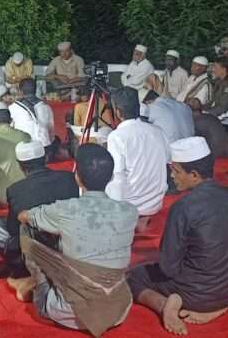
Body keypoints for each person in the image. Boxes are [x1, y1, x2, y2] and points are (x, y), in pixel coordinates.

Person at [128, 137, 228, 336]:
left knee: (133, 276)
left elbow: (168, 267)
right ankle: (216, 308)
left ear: (194, 175)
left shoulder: (184, 207)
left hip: (193, 295)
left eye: (176, 171)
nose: (172, 176)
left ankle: (163, 305)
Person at [13, 144, 138, 336]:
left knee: (27, 230)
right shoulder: (130, 211)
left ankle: (37, 285)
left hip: (68, 313)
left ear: (77, 177)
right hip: (118, 312)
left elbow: (24, 217)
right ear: (112, 177)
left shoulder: (65, 209)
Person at [0, 140, 79, 277]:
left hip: (36, 249)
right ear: (45, 158)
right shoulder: (69, 178)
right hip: (68, 246)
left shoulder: (15, 190)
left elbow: (13, 229)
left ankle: (17, 264)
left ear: (20, 165)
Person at [106, 87, 169, 218]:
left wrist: (114, 211)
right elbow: (168, 160)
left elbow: (118, 177)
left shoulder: (117, 136)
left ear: (118, 112)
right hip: (156, 203)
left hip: (131, 207)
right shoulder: (158, 131)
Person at [10, 78, 56, 158]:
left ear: (20, 91)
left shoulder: (13, 108)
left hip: (24, 150)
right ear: (36, 90)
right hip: (44, 149)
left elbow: (10, 131)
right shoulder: (46, 107)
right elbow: (51, 133)